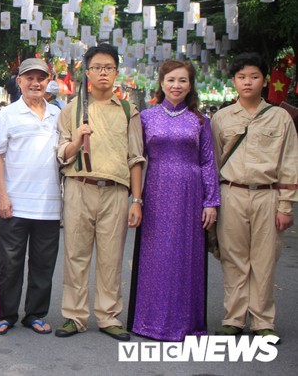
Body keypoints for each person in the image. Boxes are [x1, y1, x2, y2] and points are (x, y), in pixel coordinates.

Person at [55, 43, 144, 342]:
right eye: (97, 68)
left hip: (117, 192)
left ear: (117, 72)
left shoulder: (129, 110)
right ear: (87, 72)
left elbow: (136, 157)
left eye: (108, 67)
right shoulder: (72, 109)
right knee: (76, 255)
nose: (103, 73)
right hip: (80, 186)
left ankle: (108, 316)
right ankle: (75, 316)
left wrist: (137, 199)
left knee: (111, 256)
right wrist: (77, 141)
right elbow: (61, 154)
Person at [127, 59, 220, 341]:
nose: (176, 86)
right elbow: (136, 160)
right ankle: (149, 321)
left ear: (190, 85)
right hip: (155, 193)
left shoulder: (201, 121)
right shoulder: (145, 117)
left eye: (182, 80)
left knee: (186, 257)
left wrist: (211, 201)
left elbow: (207, 162)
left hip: (191, 195)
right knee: (156, 257)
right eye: (171, 80)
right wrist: (136, 199)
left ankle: (186, 323)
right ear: (161, 83)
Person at [211, 53, 297, 342]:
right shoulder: (221, 118)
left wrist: (286, 206)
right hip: (231, 193)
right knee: (233, 259)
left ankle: (262, 321)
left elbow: (290, 161)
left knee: (264, 259)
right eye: (241, 77)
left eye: (254, 76)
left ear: (265, 80)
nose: (247, 82)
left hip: (268, 196)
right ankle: (233, 318)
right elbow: (212, 161)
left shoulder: (280, 117)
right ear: (234, 81)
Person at [0, 58, 61, 336]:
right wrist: (2, 197)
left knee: (44, 264)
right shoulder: (7, 115)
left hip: (50, 205)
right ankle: (6, 314)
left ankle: (36, 314)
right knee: (10, 263)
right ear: (19, 82)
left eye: (40, 78)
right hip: (16, 203)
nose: (35, 83)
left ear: (48, 82)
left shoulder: (58, 114)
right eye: (29, 78)